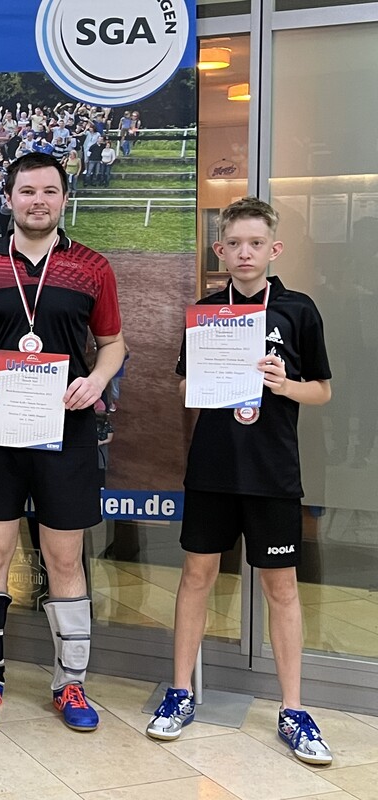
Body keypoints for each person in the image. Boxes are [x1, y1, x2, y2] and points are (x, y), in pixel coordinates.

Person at [147, 198, 334, 764]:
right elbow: (184, 388)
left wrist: (284, 384)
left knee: (282, 588)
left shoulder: (298, 310)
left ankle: (293, 709)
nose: (245, 253)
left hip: (272, 471)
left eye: (256, 243)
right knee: (196, 577)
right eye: (235, 244)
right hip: (213, 469)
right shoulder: (206, 312)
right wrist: (206, 378)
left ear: (274, 249)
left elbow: (322, 390)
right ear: (220, 250)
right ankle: (180, 692)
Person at [0, 152, 125, 732]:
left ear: (64, 198)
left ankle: (70, 684)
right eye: (27, 191)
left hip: (66, 428)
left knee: (64, 558)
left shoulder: (92, 266)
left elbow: (113, 343)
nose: (38, 201)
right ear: (9, 198)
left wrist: (96, 381)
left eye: (49, 191)